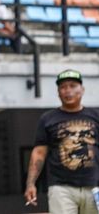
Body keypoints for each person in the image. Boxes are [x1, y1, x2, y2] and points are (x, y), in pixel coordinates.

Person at [24, 70, 99, 213]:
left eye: (72, 86)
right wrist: (30, 183)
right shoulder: (47, 119)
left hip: (94, 186)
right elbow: (39, 153)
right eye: (63, 87)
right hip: (61, 188)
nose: (68, 91)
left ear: (82, 90)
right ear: (58, 92)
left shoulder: (95, 116)